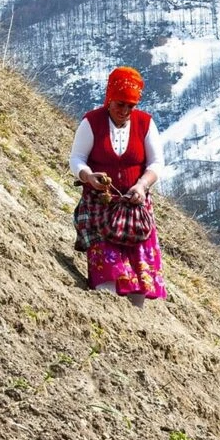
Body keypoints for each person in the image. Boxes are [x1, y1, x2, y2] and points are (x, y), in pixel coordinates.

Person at [69, 66, 167, 305]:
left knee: (138, 274)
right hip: (100, 207)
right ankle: (107, 310)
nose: (125, 111)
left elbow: (156, 162)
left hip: (135, 210)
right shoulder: (92, 123)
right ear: (109, 99)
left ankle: (136, 319)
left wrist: (142, 186)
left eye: (130, 106)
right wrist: (88, 176)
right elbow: (77, 158)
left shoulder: (145, 124)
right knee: (108, 272)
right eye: (120, 104)